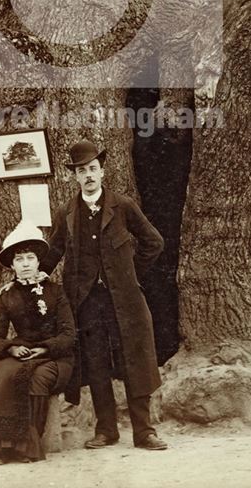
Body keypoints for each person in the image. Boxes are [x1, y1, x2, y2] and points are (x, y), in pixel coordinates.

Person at [42, 139, 168, 451]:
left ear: (103, 171)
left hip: (124, 300)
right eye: (82, 170)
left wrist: (131, 274)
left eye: (93, 169)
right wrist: (36, 273)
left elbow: (154, 242)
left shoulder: (122, 206)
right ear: (74, 176)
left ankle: (144, 432)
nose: (88, 175)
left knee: (135, 360)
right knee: (96, 364)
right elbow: (54, 251)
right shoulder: (66, 212)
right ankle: (106, 430)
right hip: (85, 303)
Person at [0, 222, 75, 465]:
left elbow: (69, 334)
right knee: (8, 373)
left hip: (55, 357)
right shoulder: (7, 294)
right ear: (12, 265)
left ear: (39, 262)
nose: (26, 264)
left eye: (31, 258)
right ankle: (0, 447)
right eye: (20, 260)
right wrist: (11, 348)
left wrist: (45, 348)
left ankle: (26, 447)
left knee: (38, 377)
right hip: (20, 353)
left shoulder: (56, 291)